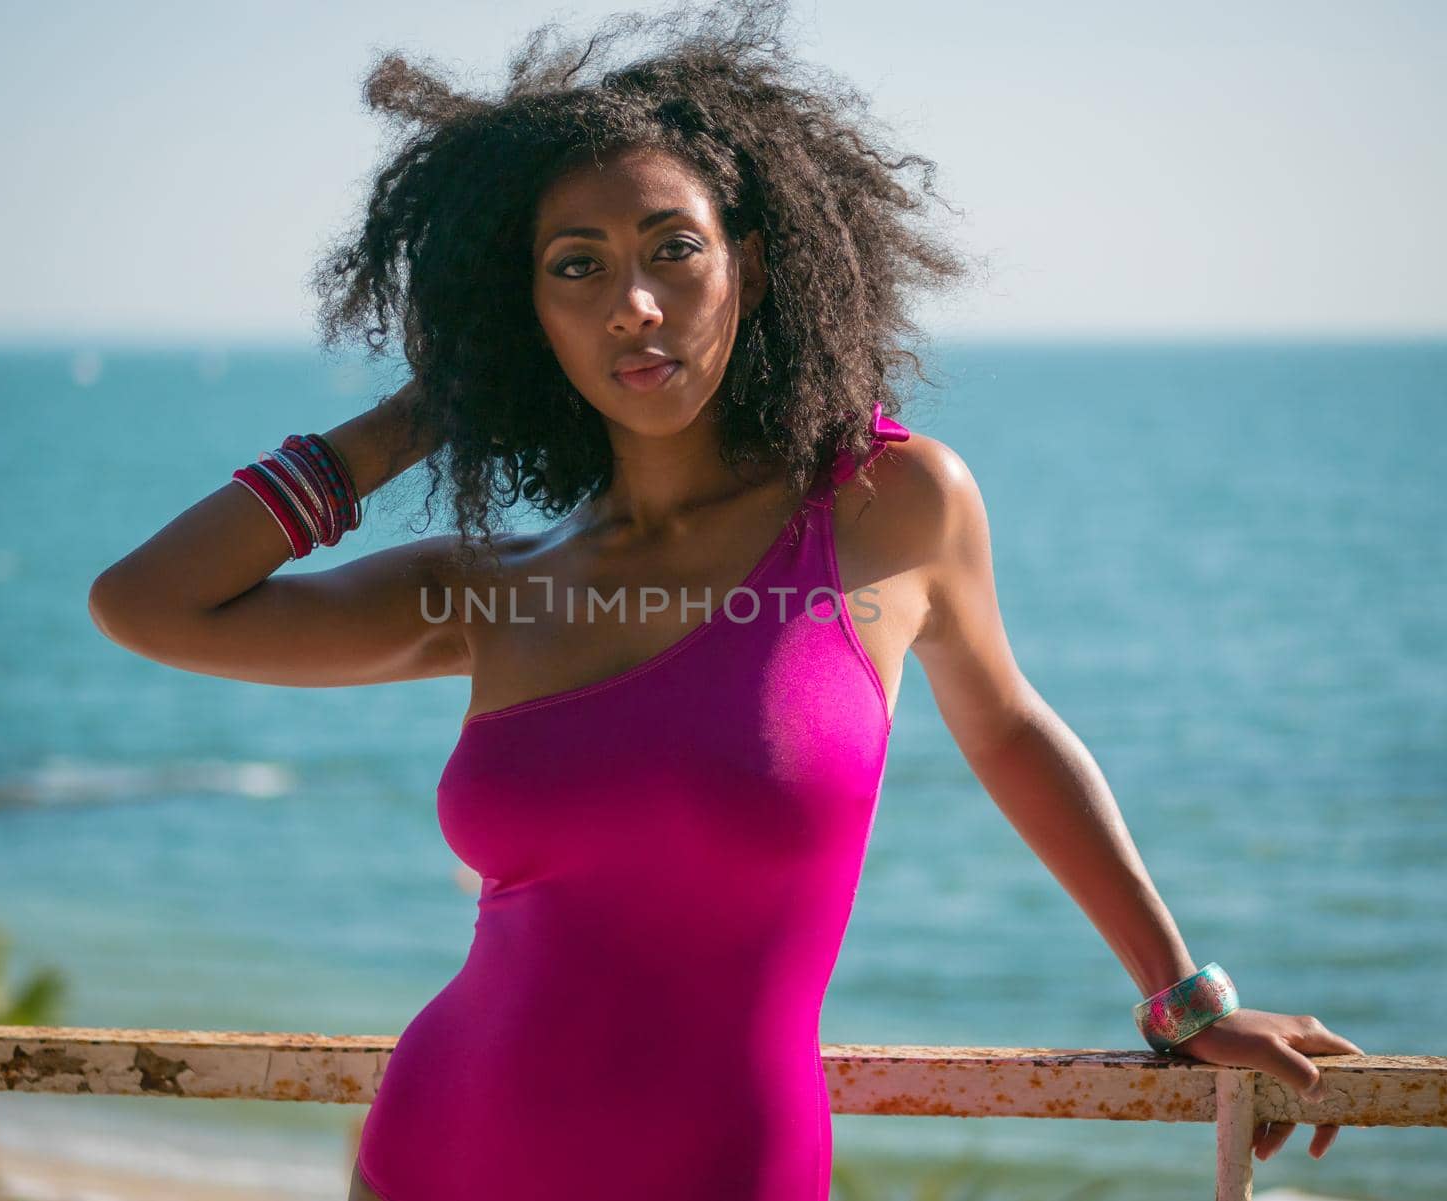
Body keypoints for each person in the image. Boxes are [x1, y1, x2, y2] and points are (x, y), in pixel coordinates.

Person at [87, 2, 1363, 1197]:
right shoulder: (496, 589)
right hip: (445, 1144)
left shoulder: (888, 505)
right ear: (524, 312)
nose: (633, 305)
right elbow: (149, 604)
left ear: (746, 268)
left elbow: (1008, 728)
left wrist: (1182, 997)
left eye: (672, 249)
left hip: (725, 1160)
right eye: (573, 269)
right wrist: (418, 414)